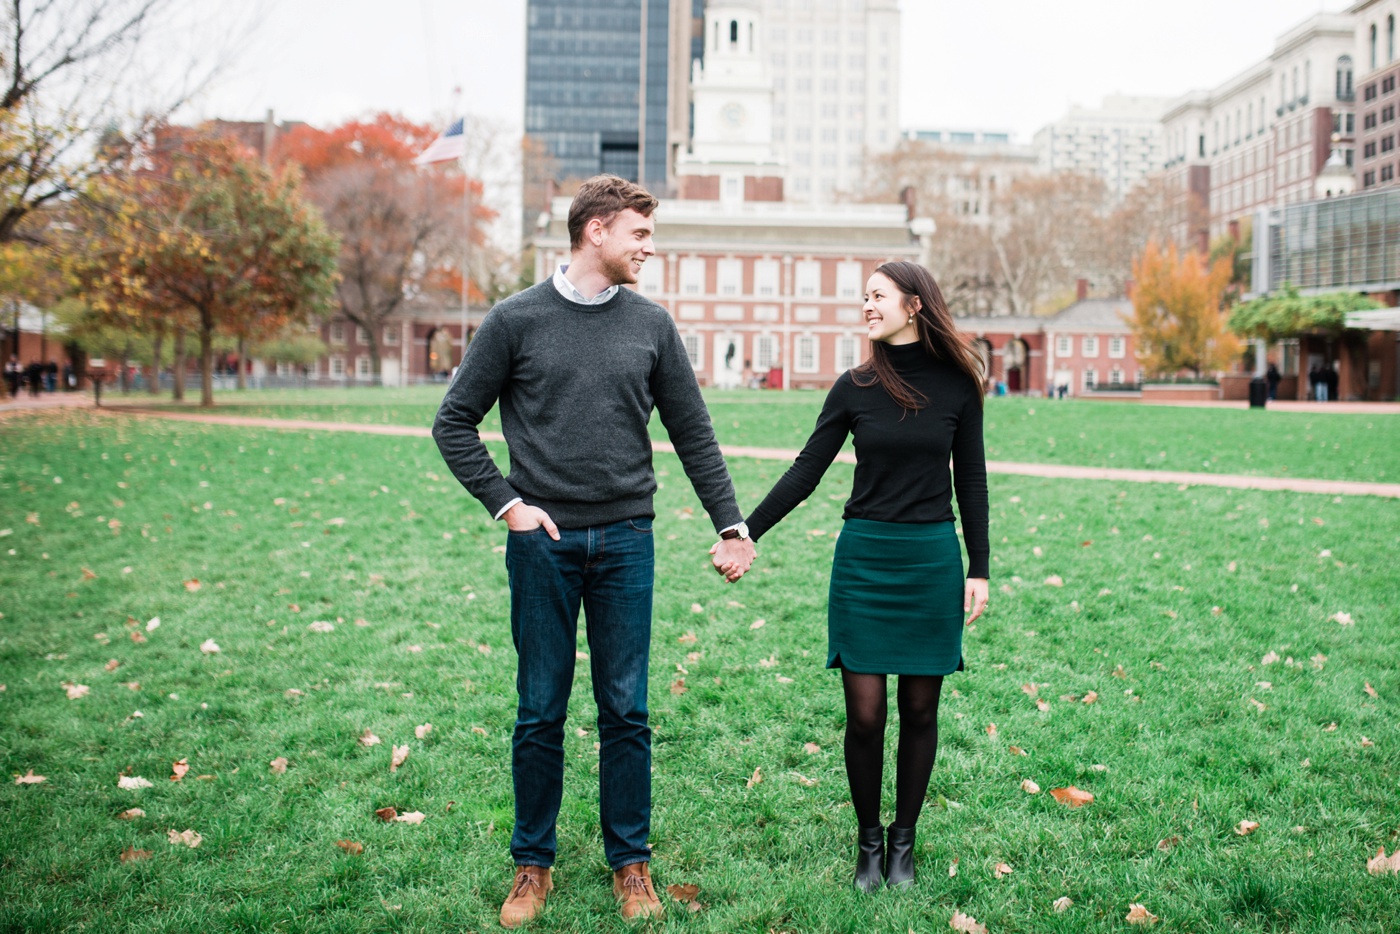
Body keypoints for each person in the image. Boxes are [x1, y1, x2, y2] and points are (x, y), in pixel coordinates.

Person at [433, 174, 755, 928]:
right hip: (541, 544)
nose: (650, 247)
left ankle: (631, 865)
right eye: (639, 234)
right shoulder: (515, 320)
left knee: (626, 708)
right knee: (539, 709)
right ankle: (531, 865)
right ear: (596, 232)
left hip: (626, 541)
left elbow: (693, 431)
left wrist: (730, 522)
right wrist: (507, 504)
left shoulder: (651, 324)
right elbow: (453, 423)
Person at [734, 261, 989, 893]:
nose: (866, 306)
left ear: (914, 305)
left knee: (921, 708)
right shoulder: (854, 386)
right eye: (864, 297)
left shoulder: (959, 386)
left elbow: (973, 482)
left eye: (877, 296)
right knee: (867, 713)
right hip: (865, 559)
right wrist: (746, 531)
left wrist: (979, 569)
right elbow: (806, 470)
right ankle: (868, 843)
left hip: (931, 557)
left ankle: (904, 841)